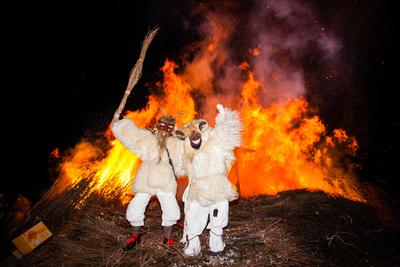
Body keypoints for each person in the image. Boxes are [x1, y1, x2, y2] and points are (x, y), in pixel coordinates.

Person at [111, 109, 185, 250]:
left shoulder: (176, 143)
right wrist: (118, 125)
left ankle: (168, 238)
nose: (165, 129)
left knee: (171, 210)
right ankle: (135, 236)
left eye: (169, 127)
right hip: (146, 179)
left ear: (173, 129)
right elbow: (132, 136)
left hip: (166, 180)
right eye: (162, 125)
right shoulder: (148, 137)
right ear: (158, 125)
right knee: (135, 207)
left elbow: (188, 154)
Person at [180, 104, 242, 257]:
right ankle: (193, 247)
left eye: (197, 133)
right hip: (197, 188)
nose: (194, 136)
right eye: (191, 134)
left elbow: (225, 133)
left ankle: (216, 247)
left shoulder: (216, 144)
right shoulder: (187, 150)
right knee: (193, 217)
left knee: (218, 217)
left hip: (217, 187)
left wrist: (222, 117)